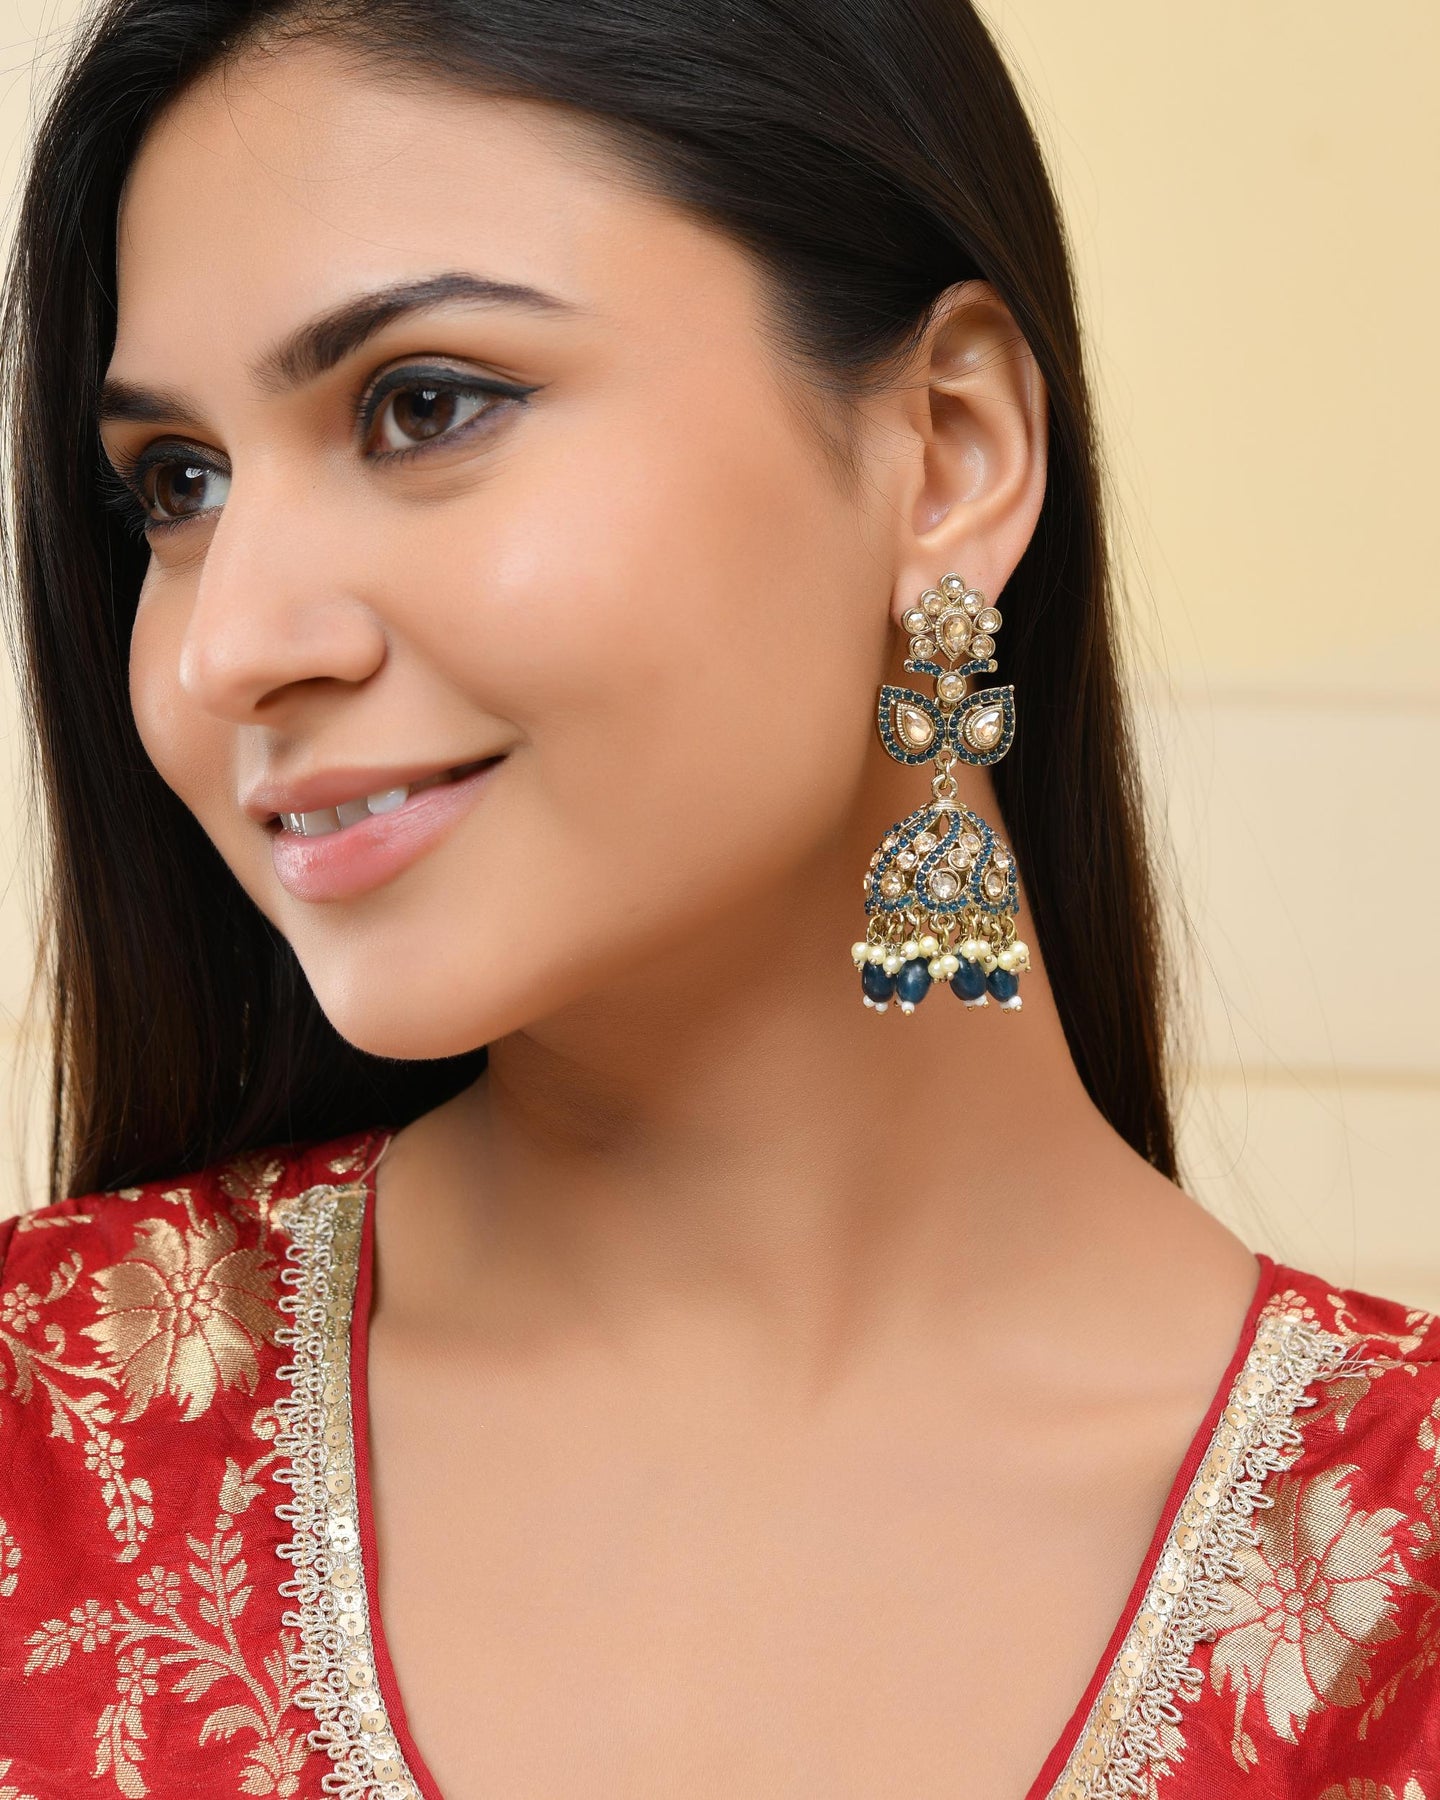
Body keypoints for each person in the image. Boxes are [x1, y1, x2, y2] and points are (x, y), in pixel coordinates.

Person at [0, 2, 1435, 1795]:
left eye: (423, 406)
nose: (229, 646)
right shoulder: (49, 1438)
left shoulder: (1400, 1604)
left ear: (950, 450)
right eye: (179, 486)